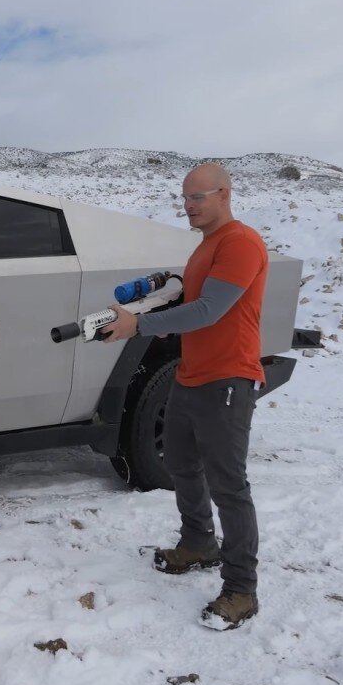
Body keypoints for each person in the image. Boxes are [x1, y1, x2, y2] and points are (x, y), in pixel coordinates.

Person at [103, 161, 268, 630]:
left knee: (229, 486)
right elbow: (190, 301)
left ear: (225, 194)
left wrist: (141, 325)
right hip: (191, 374)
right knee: (180, 464)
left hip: (228, 379)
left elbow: (211, 310)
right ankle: (199, 543)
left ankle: (241, 589)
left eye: (198, 197)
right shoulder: (205, 247)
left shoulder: (240, 242)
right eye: (185, 198)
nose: (189, 206)